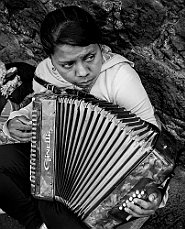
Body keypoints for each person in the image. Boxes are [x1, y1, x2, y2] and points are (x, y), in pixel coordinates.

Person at [0, 5, 167, 229]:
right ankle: (37, 224)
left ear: (101, 47)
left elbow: (154, 149)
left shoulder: (120, 79)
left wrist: (156, 195)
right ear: (51, 59)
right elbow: (36, 109)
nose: (82, 72)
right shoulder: (45, 73)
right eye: (67, 64)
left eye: (90, 56)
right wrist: (14, 122)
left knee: (52, 206)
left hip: (106, 174)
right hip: (54, 159)